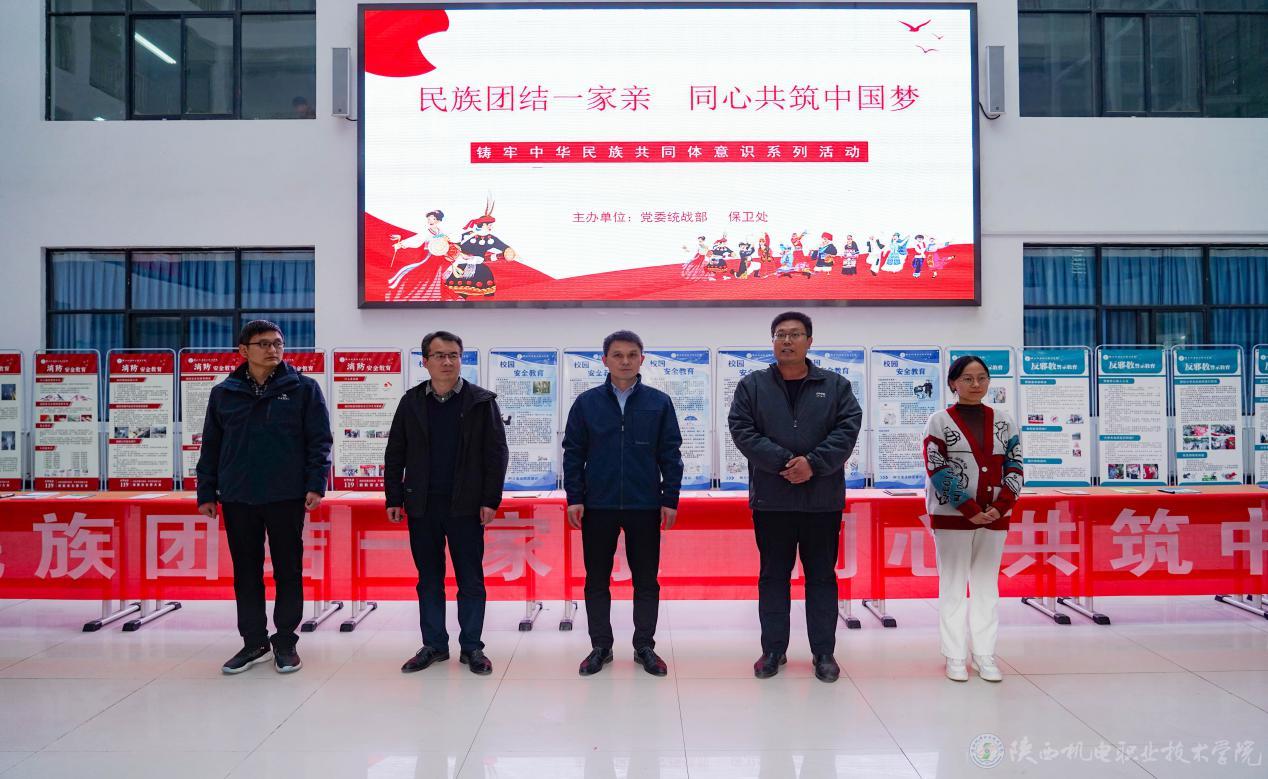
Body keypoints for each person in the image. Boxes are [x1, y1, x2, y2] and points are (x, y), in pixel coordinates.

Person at [727, 311, 863, 683]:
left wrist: (813, 465)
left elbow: (847, 430)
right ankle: (773, 650)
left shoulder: (835, 386)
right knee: (773, 577)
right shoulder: (753, 385)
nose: (787, 341)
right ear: (772, 341)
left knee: (821, 577)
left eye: (795, 334)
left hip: (822, 501)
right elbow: (742, 430)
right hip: (772, 500)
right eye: (780, 334)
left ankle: (824, 653)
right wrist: (786, 463)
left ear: (809, 341)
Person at [197, 320, 332, 675]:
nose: (273, 349)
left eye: (278, 343)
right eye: (264, 344)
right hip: (238, 496)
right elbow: (211, 445)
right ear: (243, 351)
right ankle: (254, 642)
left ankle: (285, 641)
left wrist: (315, 484)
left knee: (288, 570)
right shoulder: (224, 393)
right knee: (246, 572)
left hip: (286, 496)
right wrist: (206, 490)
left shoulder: (303, 389)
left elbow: (319, 441)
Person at [385, 330, 509, 676]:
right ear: (425, 361)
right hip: (422, 505)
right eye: (439, 355)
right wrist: (393, 496)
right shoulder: (411, 402)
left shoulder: (481, 402)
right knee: (429, 578)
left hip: (466, 506)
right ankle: (434, 645)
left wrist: (490, 499)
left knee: (470, 578)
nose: (447, 362)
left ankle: (472, 647)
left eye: (454, 355)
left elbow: (497, 453)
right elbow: (395, 452)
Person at [563, 330, 683, 677]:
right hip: (597, 504)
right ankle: (600, 646)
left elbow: (670, 453)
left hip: (644, 504)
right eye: (618, 355)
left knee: (646, 580)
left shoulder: (659, 402)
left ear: (642, 359)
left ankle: (644, 646)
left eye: (632, 355)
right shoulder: (586, 403)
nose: (625, 361)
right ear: (605, 360)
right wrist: (575, 497)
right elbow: (573, 453)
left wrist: (670, 498)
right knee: (596, 579)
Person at [923, 355, 1023, 683]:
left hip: (995, 516)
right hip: (952, 516)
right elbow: (937, 468)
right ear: (953, 383)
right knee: (953, 586)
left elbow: (1015, 465)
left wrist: (1001, 506)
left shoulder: (1004, 421)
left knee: (986, 587)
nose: (976, 384)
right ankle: (954, 655)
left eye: (982, 377)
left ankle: (984, 654)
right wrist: (968, 508)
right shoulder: (939, 421)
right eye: (967, 378)